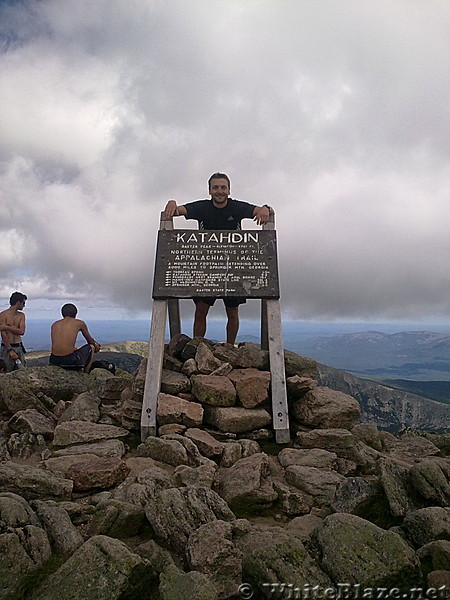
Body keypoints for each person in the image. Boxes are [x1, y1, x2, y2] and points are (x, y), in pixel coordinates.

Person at [164, 172, 272, 344]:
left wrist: (266, 208)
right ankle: (197, 347)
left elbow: (260, 210)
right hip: (207, 269)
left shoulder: (237, 207)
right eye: (215, 187)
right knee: (200, 310)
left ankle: (229, 347)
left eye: (223, 187)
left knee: (232, 311)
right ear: (209, 190)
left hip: (233, 269)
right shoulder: (201, 208)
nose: (219, 191)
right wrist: (172, 202)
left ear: (229, 190)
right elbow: (178, 210)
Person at [49, 303, 101, 373]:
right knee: (91, 347)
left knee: (74, 349)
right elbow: (90, 341)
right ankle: (86, 374)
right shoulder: (80, 323)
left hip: (53, 360)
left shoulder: (55, 324)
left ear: (62, 314)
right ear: (76, 314)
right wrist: (96, 345)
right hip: (69, 361)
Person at [0, 291, 27, 372]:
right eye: (23, 303)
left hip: (19, 347)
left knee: (22, 372)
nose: (24, 305)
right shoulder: (2, 315)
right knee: (6, 371)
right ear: (18, 302)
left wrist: (6, 327)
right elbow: (3, 335)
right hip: (7, 347)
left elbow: (22, 331)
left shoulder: (21, 315)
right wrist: (10, 350)